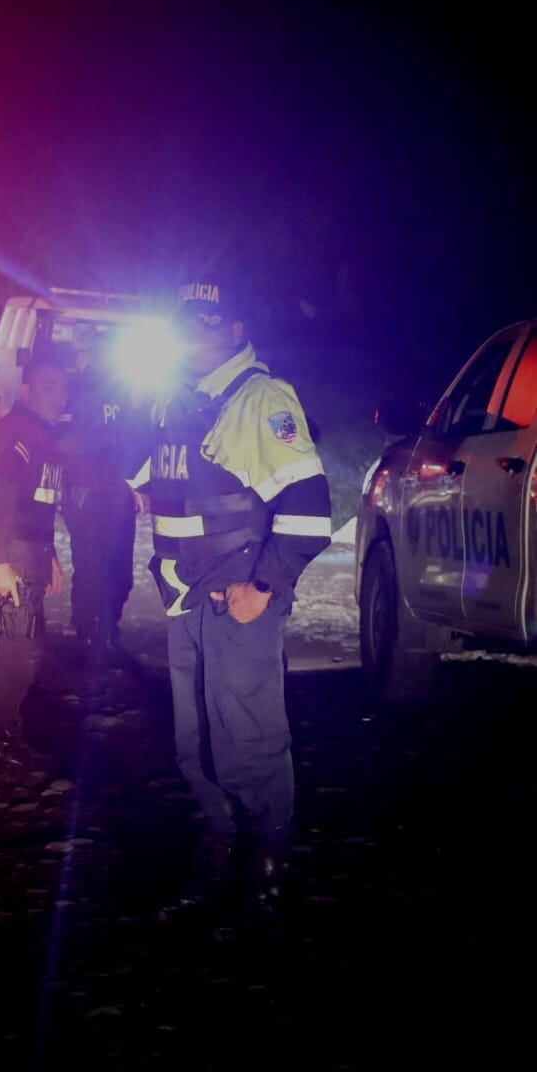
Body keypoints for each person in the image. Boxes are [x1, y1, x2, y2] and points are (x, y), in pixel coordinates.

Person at [140, 276, 331, 917]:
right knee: (194, 741)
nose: (193, 335)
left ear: (235, 332)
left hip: (237, 599)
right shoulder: (176, 401)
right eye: (184, 323)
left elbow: (308, 512)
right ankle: (221, 849)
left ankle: (269, 862)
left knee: (248, 737)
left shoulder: (262, 399)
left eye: (207, 324)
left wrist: (263, 587)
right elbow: (142, 479)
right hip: (185, 600)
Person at [0, 353, 68, 776]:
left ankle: (12, 738)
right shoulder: (13, 436)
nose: (58, 396)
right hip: (10, 560)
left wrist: (51, 558)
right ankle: (1, 749)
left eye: (62, 387)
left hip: (32, 558)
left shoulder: (44, 438)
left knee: (28, 652)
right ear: (26, 389)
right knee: (16, 655)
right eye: (48, 386)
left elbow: (38, 507)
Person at [57, 324, 149, 664]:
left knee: (121, 569)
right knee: (91, 566)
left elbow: (134, 443)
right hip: (85, 492)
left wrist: (130, 484)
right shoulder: (78, 389)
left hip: (117, 494)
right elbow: (65, 442)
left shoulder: (126, 394)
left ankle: (109, 625)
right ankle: (87, 630)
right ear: (94, 357)